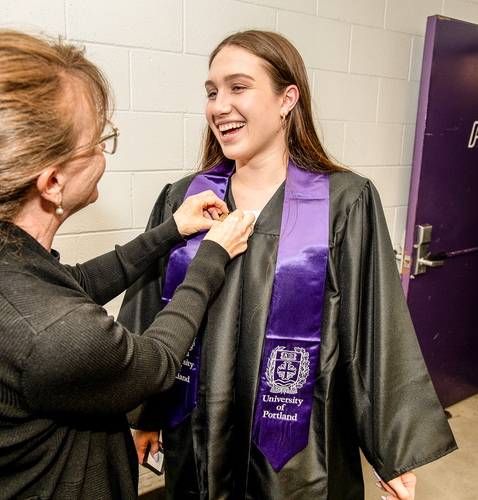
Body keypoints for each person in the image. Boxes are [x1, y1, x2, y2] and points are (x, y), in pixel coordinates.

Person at [118, 30, 457, 500]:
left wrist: (391, 450)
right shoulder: (185, 199)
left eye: (238, 87)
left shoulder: (344, 202)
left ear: (287, 99)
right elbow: (149, 313)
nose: (219, 106)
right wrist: (146, 413)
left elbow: (374, 328)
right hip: (196, 432)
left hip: (301, 453)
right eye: (212, 91)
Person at [0, 30, 254, 500]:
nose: (104, 154)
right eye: (98, 141)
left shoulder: (0, 259)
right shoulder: (53, 333)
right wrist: (211, 257)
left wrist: (171, 232)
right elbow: (158, 362)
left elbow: (74, 284)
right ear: (52, 182)